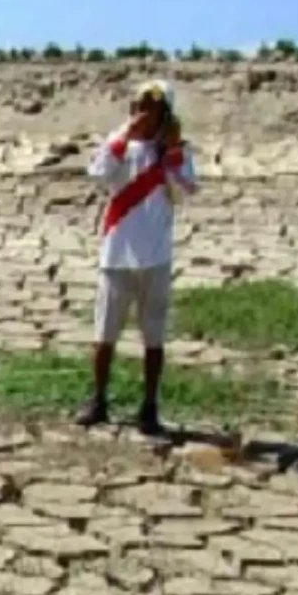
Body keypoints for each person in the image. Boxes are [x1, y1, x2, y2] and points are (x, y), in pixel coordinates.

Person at [78, 78, 199, 436]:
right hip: (116, 255)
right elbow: (99, 172)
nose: (144, 114)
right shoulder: (119, 144)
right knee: (104, 334)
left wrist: (173, 152)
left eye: (153, 109)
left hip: (156, 258)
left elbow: (184, 191)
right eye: (139, 106)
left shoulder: (175, 154)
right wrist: (124, 136)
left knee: (153, 338)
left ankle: (149, 406)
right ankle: (98, 400)